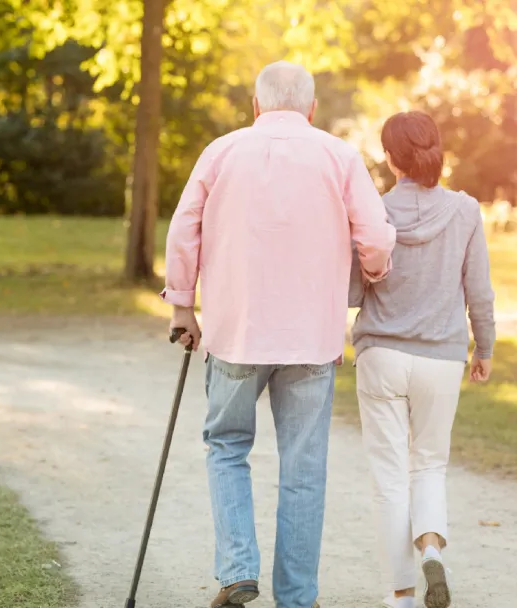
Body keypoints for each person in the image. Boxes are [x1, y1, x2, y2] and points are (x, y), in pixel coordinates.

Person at [162, 60, 397, 608]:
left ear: (255, 106)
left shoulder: (220, 152)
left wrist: (181, 307)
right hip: (310, 338)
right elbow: (377, 240)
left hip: (235, 331)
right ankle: (297, 597)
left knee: (226, 446)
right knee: (304, 470)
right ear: (312, 110)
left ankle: (239, 569)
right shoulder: (339, 155)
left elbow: (183, 229)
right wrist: (375, 272)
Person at [348, 111, 496, 608]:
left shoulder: (373, 213)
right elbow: (480, 291)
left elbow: (352, 291)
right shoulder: (465, 210)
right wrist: (485, 348)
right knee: (429, 465)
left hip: (381, 356)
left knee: (389, 478)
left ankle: (402, 594)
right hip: (441, 358)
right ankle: (431, 548)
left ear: (390, 159)